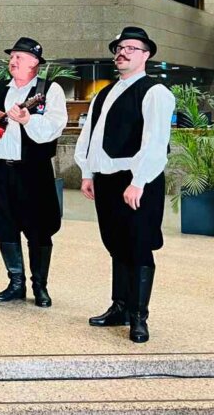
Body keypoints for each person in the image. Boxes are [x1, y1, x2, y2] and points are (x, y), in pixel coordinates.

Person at [75, 26, 175, 343]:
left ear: (146, 55)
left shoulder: (155, 92)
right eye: (120, 47)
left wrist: (139, 181)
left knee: (139, 245)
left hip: (136, 181)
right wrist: (88, 173)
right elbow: (88, 136)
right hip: (105, 181)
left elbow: (156, 142)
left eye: (131, 48)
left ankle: (138, 317)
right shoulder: (103, 94)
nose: (123, 52)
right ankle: (119, 307)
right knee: (116, 243)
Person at [0, 39, 67, 307]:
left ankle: (40, 286)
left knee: (39, 228)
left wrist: (28, 119)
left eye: (21, 56)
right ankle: (16, 282)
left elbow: (55, 127)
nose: (14, 60)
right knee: (3, 224)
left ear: (35, 63)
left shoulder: (48, 90)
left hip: (33, 172)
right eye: (13, 56)